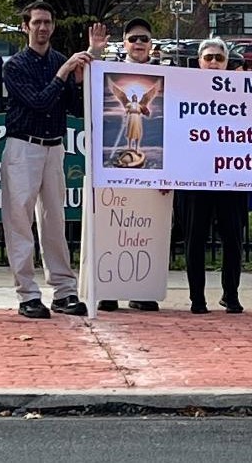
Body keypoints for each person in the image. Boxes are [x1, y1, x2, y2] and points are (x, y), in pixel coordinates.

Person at [2, 0, 107, 319]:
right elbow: (38, 102)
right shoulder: (16, 66)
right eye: (36, 22)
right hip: (24, 146)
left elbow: (74, 107)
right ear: (25, 26)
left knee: (54, 221)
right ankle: (27, 294)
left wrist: (87, 66)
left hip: (53, 146)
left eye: (47, 22)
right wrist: (64, 73)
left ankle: (64, 291)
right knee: (20, 222)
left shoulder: (60, 60)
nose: (43, 27)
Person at [93, 17, 168, 313]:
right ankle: (109, 289)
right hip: (113, 171)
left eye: (144, 39)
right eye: (133, 38)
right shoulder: (105, 71)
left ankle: (141, 289)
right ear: (124, 43)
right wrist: (95, 51)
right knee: (114, 224)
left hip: (154, 172)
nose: (138, 43)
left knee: (147, 226)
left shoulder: (166, 74)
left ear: (151, 44)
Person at [175, 38, 247, 314]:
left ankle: (231, 294)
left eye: (219, 58)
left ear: (227, 62)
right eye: (209, 58)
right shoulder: (184, 89)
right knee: (194, 239)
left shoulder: (243, 92)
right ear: (199, 62)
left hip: (232, 176)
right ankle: (197, 298)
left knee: (233, 239)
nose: (214, 62)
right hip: (194, 176)